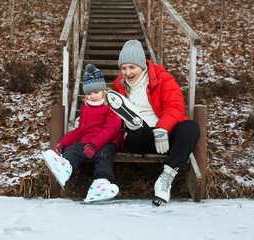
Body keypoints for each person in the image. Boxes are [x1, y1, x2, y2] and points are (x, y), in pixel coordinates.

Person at [106, 40, 200, 205]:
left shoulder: (163, 79)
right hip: (138, 140)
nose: (127, 73)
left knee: (190, 128)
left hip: (164, 135)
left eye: (132, 67)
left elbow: (175, 106)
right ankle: (134, 123)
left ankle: (166, 178)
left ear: (142, 66)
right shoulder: (118, 88)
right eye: (123, 68)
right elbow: (107, 113)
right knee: (136, 129)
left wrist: (162, 128)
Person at [42, 64, 122, 203]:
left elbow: (112, 129)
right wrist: (63, 143)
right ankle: (64, 167)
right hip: (86, 141)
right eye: (89, 94)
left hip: (106, 142)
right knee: (73, 150)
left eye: (96, 92)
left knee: (104, 156)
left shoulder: (111, 106)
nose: (93, 96)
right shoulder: (85, 108)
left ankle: (101, 184)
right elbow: (80, 130)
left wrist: (95, 144)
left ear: (103, 90)